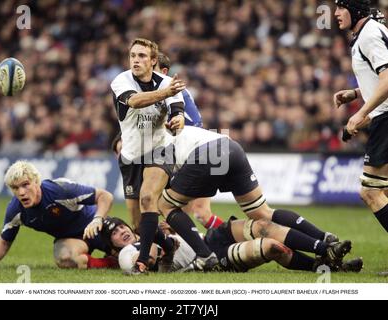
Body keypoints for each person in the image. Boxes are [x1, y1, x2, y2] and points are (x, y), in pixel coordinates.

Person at [158, 126, 353, 270]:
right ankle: (326, 245)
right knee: (263, 216)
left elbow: (190, 211)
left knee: (170, 206)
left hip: (204, 156)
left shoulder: (151, 149)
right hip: (229, 146)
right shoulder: (177, 122)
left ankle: (204, 256)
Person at [111, 38, 211, 274]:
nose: (136, 60)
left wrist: (176, 122)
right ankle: (169, 245)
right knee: (138, 224)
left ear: (153, 60)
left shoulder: (168, 83)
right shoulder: (121, 80)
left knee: (149, 199)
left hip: (160, 150)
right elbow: (134, 101)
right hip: (131, 155)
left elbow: (177, 116)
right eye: (133, 55)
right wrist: (165, 92)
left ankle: (142, 262)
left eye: (142, 56)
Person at [110, 53, 223, 230]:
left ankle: (225, 239)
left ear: (163, 72)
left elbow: (179, 128)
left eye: (152, 71)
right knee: (167, 210)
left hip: (194, 153)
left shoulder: (172, 93)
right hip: (185, 152)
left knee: (185, 211)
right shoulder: (157, 94)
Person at [0, 160, 118, 270]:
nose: (21, 192)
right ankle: (108, 263)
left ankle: (118, 253)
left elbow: (105, 196)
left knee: (131, 256)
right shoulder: (16, 210)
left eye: (25, 185)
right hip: (73, 240)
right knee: (64, 257)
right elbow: (4, 241)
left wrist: (97, 219)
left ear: (36, 182)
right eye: (15, 188)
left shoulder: (60, 190)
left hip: (95, 228)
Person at [333, 0, 388, 275]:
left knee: (370, 191)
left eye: (340, 8)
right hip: (383, 117)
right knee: (384, 191)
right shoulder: (369, 33)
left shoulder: (369, 34)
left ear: (354, 10)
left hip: (386, 119)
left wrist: (360, 113)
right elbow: (378, 76)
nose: (334, 14)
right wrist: (355, 93)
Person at [104, 216, 362, 274]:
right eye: (114, 233)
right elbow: (164, 248)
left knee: (262, 224)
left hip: (210, 240)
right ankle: (331, 267)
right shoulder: (147, 263)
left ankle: (323, 248)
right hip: (211, 262)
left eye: (120, 227)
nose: (121, 232)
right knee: (270, 247)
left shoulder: (146, 235)